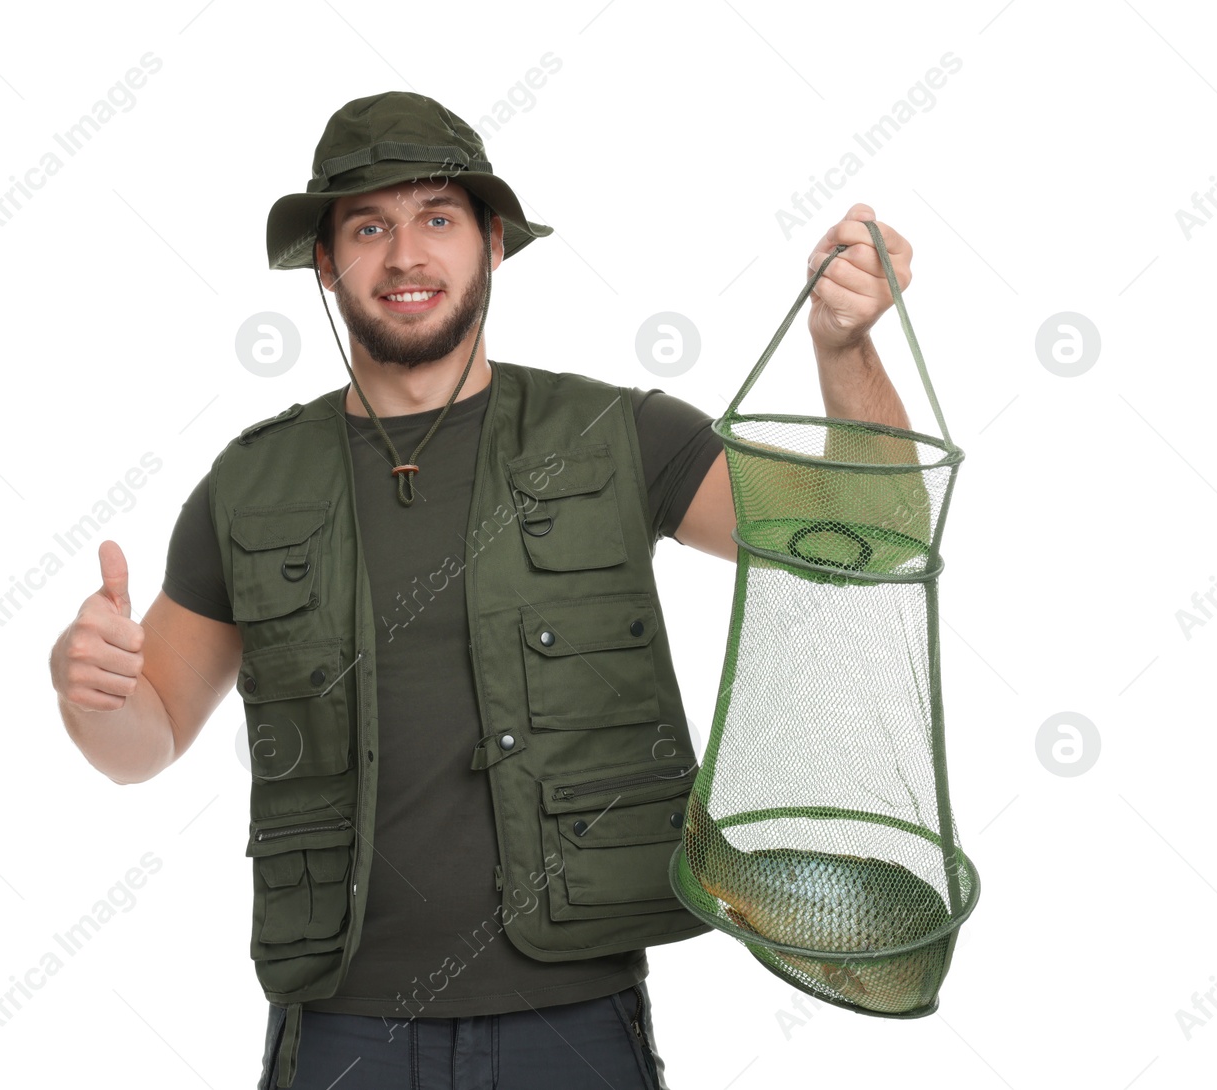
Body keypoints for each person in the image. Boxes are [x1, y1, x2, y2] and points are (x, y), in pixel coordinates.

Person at [49, 91, 918, 1089]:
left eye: (437, 219)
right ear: (327, 263)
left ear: (491, 243)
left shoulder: (621, 436)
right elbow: (143, 737)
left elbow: (876, 537)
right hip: (340, 1030)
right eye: (368, 226)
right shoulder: (249, 487)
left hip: (575, 1026)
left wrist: (842, 348)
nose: (405, 256)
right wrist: (92, 696)